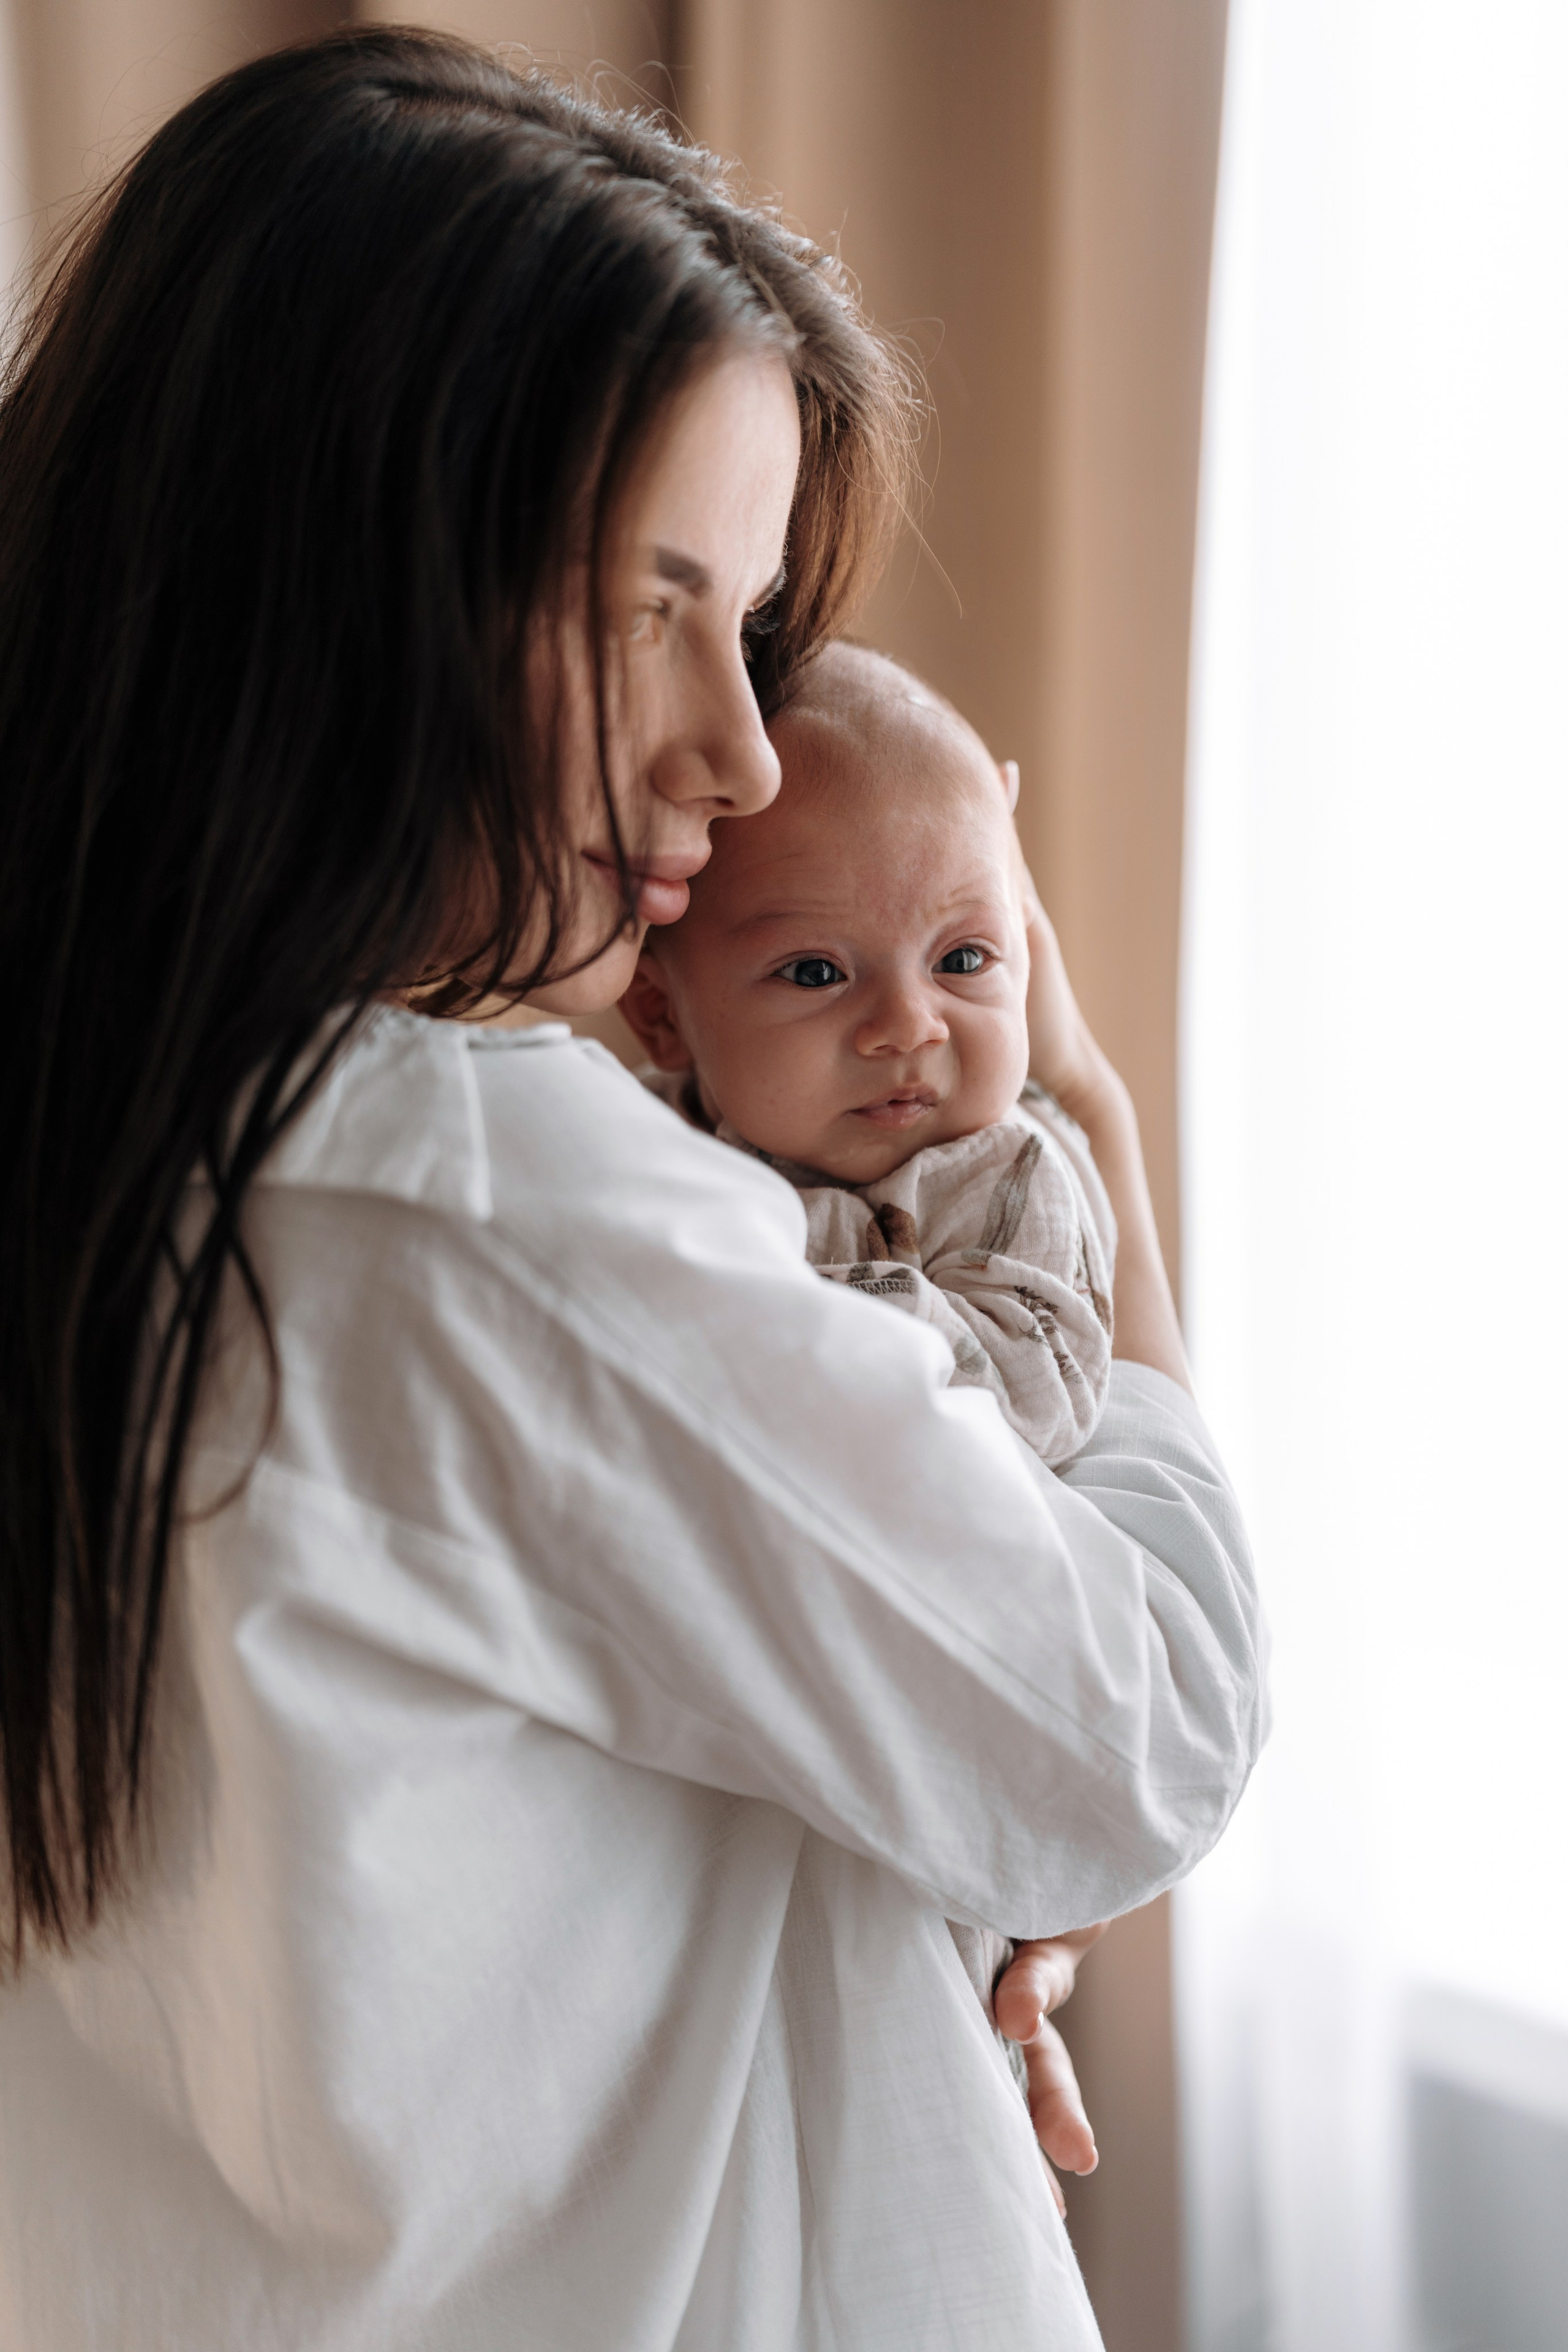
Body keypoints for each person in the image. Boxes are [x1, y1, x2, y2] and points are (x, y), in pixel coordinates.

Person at [0, 28, 1265, 2352]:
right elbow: (1140, 1732)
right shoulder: (478, 1204)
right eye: (645, 610)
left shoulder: (114, 1157)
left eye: (754, 623)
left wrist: (881, 1852)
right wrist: (1083, 1132)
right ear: (336, 576)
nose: (740, 751)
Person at [624, 639, 1118, 1476]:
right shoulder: (633, 1133)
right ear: (660, 1014)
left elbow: (1035, 1400)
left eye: (963, 960)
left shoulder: (1008, 1170)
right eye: (817, 973)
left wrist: (760, 1298)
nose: (907, 1026)